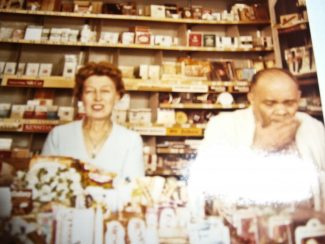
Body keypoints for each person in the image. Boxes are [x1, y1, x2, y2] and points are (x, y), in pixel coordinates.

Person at [190, 68, 325, 210]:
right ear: (252, 98)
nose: (281, 111)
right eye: (270, 104)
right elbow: (206, 188)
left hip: (304, 225)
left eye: (289, 103)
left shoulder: (312, 127)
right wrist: (261, 148)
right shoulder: (224, 126)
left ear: (298, 97)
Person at [42, 61, 144, 180]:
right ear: (81, 96)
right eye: (90, 91)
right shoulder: (59, 135)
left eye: (105, 91)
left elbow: (133, 189)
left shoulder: (131, 140)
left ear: (117, 97)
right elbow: (44, 183)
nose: (97, 98)